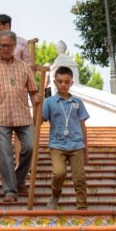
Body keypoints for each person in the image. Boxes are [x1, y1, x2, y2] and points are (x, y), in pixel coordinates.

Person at [0, 29, 38, 203]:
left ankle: (18, 180)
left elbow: (33, 91)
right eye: (2, 46)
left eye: (9, 46)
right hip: (0, 117)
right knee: (5, 154)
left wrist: (37, 105)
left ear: (15, 46)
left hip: (23, 116)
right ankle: (10, 190)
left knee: (30, 147)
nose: (5, 49)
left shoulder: (24, 66)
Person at [35, 66, 90, 210]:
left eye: (67, 82)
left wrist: (86, 149)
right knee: (59, 173)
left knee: (79, 177)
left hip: (76, 145)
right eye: (60, 82)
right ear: (55, 82)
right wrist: (36, 105)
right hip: (57, 145)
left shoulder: (78, 102)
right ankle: (55, 195)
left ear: (71, 83)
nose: (63, 84)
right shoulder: (49, 102)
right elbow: (37, 122)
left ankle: (82, 207)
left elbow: (83, 126)